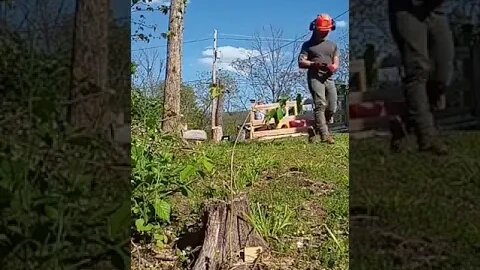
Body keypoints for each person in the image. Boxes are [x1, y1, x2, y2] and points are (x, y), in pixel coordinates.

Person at [388, 0, 454, 155]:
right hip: (406, 8)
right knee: (418, 70)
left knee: (442, 71)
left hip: (435, 9)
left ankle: (404, 124)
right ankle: (427, 137)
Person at [298, 14, 340, 144]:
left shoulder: (333, 45)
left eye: (326, 31)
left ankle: (315, 129)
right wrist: (313, 64)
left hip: (328, 78)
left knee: (332, 107)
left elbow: (336, 61)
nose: (324, 34)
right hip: (315, 77)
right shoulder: (308, 45)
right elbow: (301, 62)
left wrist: (333, 67)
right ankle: (325, 135)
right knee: (320, 104)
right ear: (314, 29)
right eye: (321, 31)